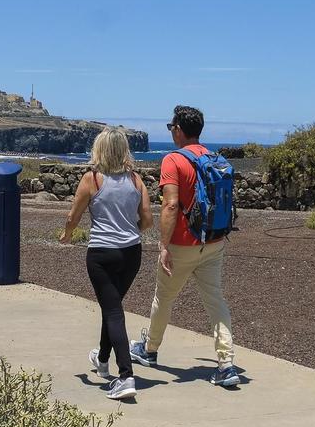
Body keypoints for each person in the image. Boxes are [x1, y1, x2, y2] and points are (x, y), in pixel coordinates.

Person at [130, 105, 240, 387]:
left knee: (163, 298)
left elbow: (170, 204)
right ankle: (226, 365)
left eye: (171, 127)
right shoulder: (215, 159)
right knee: (215, 300)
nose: (171, 132)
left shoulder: (173, 161)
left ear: (178, 129)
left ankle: (150, 350)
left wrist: (163, 245)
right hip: (213, 241)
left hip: (182, 244)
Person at [61, 127, 153, 400]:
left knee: (113, 311)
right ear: (124, 150)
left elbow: (73, 216)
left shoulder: (92, 179)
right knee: (111, 306)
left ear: (99, 150)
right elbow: (147, 220)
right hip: (131, 254)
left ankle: (125, 376)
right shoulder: (136, 180)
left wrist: (67, 234)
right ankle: (102, 359)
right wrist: (128, 227)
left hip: (102, 254)